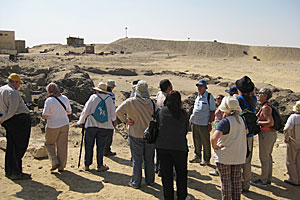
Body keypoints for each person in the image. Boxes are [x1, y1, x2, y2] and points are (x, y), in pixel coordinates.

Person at [116, 80, 156, 188]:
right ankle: (150, 180)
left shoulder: (130, 102)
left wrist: (126, 121)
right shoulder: (152, 103)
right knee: (149, 159)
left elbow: (118, 112)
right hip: (149, 135)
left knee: (137, 160)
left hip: (135, 134)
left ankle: (136, 182)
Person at [211, 96, 247, 200]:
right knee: (236, 182)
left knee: (226, 182)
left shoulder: (225, 122)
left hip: (225, 156)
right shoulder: (241, 119)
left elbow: (214, 137)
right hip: (238, 155)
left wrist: (215, 146)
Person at [155, 90, 189, 200]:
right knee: (181, 174)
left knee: (167, 175)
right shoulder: (183, 114)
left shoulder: (161, 112)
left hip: (163, 147)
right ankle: (181, 196)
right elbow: (185, 130)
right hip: (180, 147)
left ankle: (168, 197)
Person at [77, 82, 116, 172]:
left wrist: (81, 121)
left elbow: (86, 111)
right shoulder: (109, 99)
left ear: (97, 91)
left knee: (89, 145)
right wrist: (113, 121)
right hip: (104, 126)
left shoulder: (93, 97)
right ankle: (100, 165)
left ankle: (87, 164)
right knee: (100, 146)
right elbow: (113, 115)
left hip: (91, 124)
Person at [0, 73, 31, 180]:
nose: (19, 86)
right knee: (19, 147)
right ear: (15, 82)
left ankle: (10, 170)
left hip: (9, 120)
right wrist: (2, 119)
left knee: (11, 146)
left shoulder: (2, 89)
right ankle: (16, 172)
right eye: (18, 83)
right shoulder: (12, 92)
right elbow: (12, 111)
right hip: (18, 120)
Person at [42, 82, 72, 172]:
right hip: (64, 123)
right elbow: (69, 111)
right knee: (62, 145)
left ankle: (54, 161)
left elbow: (45, 115)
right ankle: (61, 166)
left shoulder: (49, 100)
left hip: (53, 125)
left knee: (49, 144)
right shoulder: (65, 98)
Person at [251, 88, 277, 187]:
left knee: (264, 158)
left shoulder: (265, 108)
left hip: (266, 134)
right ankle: (267, 178)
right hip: (269, 134)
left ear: (265, 96)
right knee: (268, 157)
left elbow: (270, 122)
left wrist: (258, 123)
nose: (258, 95)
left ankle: (264, 180)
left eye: (260, 93)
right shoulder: (266, 106)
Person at [235, 75, 257, 192]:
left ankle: (239, 183)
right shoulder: (254, 99)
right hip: (250, 133)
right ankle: (246, 184)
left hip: (240, 132)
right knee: (247, 160)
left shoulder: (238, 100)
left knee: (239, 160)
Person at [189, 79, 216, 166]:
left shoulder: (209, 97)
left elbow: (212, 111)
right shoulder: (197, 96)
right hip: (195, 122)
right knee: (196, 140)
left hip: (204, 123)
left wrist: (210, 123)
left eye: (201, 86)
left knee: (205, 141)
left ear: (205, 87)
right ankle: (197, 156)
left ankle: (206, 158)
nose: (199, 88)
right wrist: (192, 121)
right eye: (198, 86)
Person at [155, 79, 173, 176]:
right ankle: (162, 169)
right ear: (168, 87)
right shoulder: (168, 98)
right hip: (165, 125)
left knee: (159, 149)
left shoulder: (158, 94)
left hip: (158, 123)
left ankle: (158, 167)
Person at [283, 100, 300, 186]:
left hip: (293, 140)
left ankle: (294, 179)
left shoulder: (293, 117)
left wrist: (286, 138)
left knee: (291, 160)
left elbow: (287, 128)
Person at [209, 94, 224, 176]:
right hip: (217, 128)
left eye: (219, 98)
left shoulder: (223, 108)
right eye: (216, 98)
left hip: (220, 129)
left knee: (218, 148)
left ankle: (219, 169)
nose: (217, 100)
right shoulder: (220, 107)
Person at [104, 80, 117, 156]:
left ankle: (103, 149)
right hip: (109, 117)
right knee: (109, 134)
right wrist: (114, 119)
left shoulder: (103, 93)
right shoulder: (111, 95)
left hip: (102, 115)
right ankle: (107, 150)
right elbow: (112, 107)